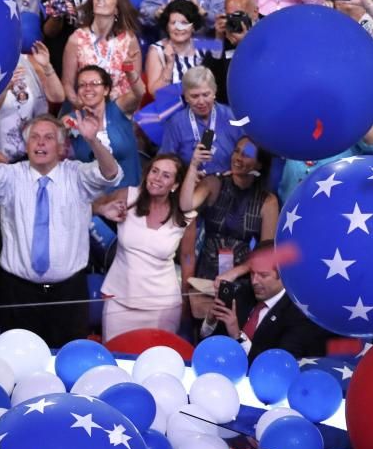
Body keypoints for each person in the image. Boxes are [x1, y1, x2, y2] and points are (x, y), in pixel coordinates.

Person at [0, 114, 122, 347]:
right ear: (26, 145)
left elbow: (110, 174)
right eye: (34, 137)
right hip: (18, 292)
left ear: (62, 146)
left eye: (48, 137)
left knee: (65, 362)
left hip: (69, 294)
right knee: (18, 361)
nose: (40, 142)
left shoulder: (76, 175)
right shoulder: (11, 176)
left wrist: (93, 140)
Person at [95, 154, 196, 339]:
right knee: (115, 359)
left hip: (163, 307)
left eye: (166, 175)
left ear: (175, 185)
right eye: (154, 171)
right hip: (120, 301)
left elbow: (188, 258)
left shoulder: (186, 215)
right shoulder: (127, 196)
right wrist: (104, 210)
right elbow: (91, 205)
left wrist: (186, 300)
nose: (157, 178)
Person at [203, 240, 329, 362]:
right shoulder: (242, 292)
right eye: (252, 273)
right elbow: (211, 344)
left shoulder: (299, 314)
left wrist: (238, 336)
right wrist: (210, 322)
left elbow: (279, 363)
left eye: (263, 275)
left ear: (283, 275)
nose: (254, 281)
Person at [179, 137, 278, 281]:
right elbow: (186, 205)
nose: (238, 158)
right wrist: (194, 165)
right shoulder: (213, 183)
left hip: (240, 280)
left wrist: (235, 273)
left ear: (259, 164)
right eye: (236, 151)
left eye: (246, 155)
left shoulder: (268, 201)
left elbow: (265, 252)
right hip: (205, 277)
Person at [62, 0, 145, 114]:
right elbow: (67, 85)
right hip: (87, 109)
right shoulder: (76, 39)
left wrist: (129, 68)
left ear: (117, 8)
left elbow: (137, 89)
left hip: (122, 110)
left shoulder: (129, 39)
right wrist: (82, 107)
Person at [0, 41, 65, 161]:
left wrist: (47, 66)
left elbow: (58, 97)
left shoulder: (29, 61)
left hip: (30, 154)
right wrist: (5, 87)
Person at [65, 65, 141, 188]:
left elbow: (139, 93)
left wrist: (129, 69)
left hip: (128, 195)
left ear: (106, 90)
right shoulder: (73, 119)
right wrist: (69, 127)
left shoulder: (119, 108)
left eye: (94, 83)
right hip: (92, 198)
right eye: (82, 85)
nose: (88, 88)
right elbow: (57, 129)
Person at [159, 66, 243, 175]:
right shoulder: (176, 123)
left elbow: (250, 152)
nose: (201, 101)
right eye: (194, 96)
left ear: (214, 92)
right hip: (190, 186)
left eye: (206, 94)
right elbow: (165, 162)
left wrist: (236, 172)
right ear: (186, 97)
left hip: (228, 183)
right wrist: (187, 175)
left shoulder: (232, 117)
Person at [201, 0, 259, 104]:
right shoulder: (219, 32)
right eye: (229, 15)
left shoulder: (269, 28)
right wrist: (218, 39)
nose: (233, 20)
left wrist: (246, 43)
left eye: (238, 15)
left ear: (255, 13)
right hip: (226, 101)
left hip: (258, 98)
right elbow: (205, 76)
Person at [144, 0, 207, 97]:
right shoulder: (156, 50)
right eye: (173, 23)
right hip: (171, 108)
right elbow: (155, 93)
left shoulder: (204, 46)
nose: (179, 28)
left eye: (184, 23)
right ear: (167, 27)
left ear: (193, 27)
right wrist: (169, 65)